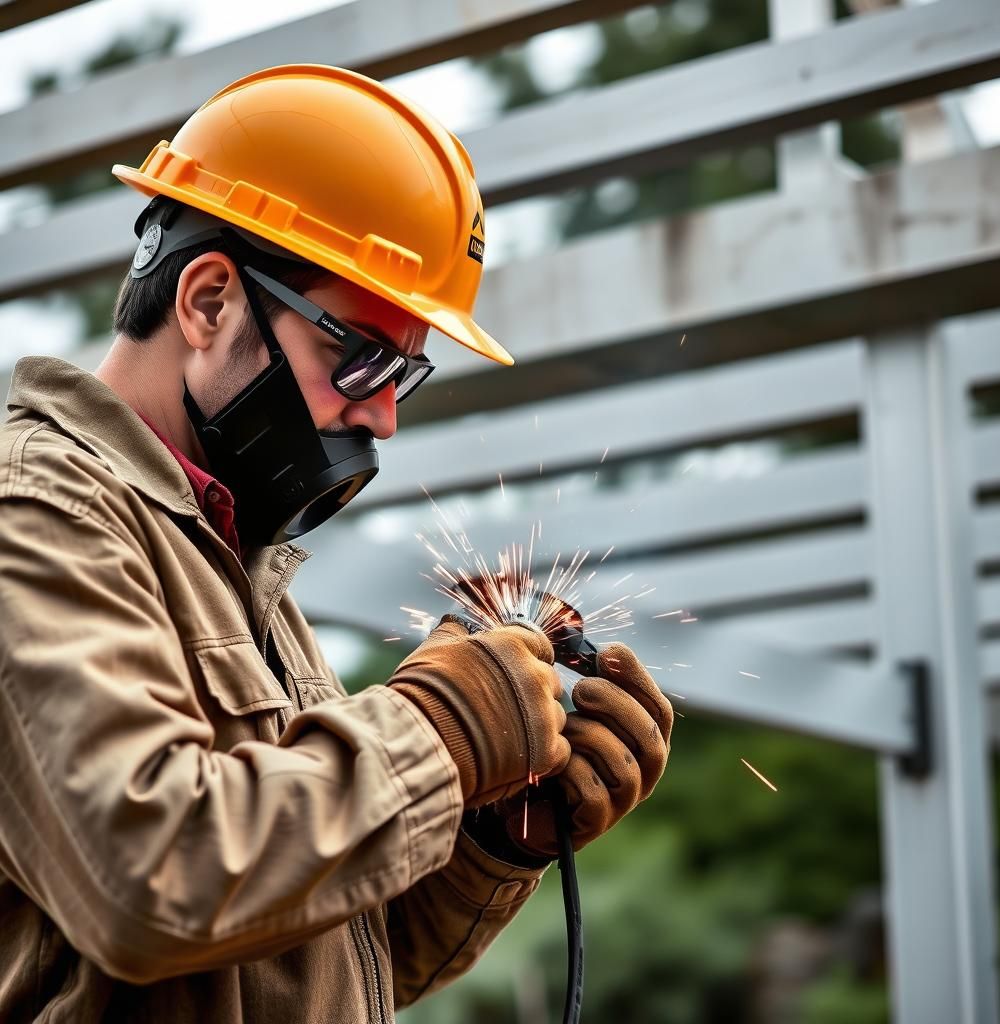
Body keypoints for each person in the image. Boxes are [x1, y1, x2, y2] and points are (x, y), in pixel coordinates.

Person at [0, 65, 672, 1022]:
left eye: (407, 374)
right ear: (208, 302)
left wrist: (490, 835)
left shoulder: (232, 564)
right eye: (362, 357)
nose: (385, 418)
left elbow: (308, 965)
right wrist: (439, 729)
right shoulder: (37, 515)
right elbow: (143, 882)